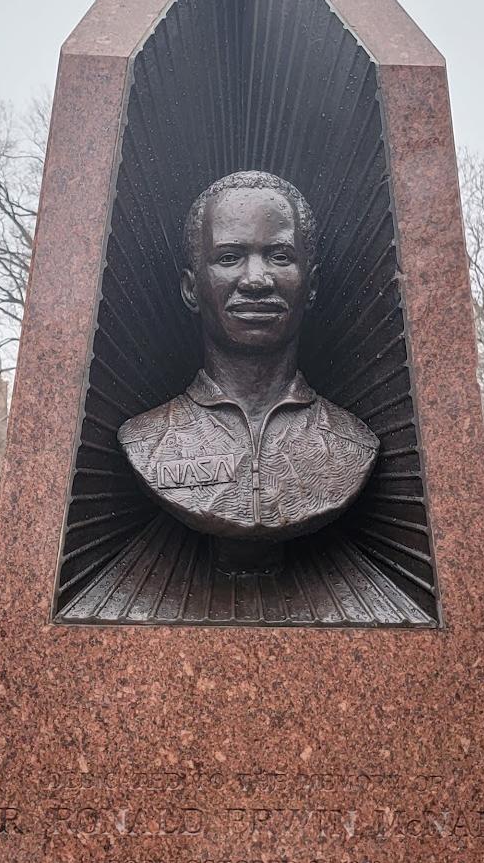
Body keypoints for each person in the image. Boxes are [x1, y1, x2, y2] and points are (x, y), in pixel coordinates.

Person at [118, 171, 377, 569]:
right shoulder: (146, 441)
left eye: (279, 257)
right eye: (229, 258)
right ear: (191, 288)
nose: (256, 280)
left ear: (311, 285)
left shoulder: (353, 445)